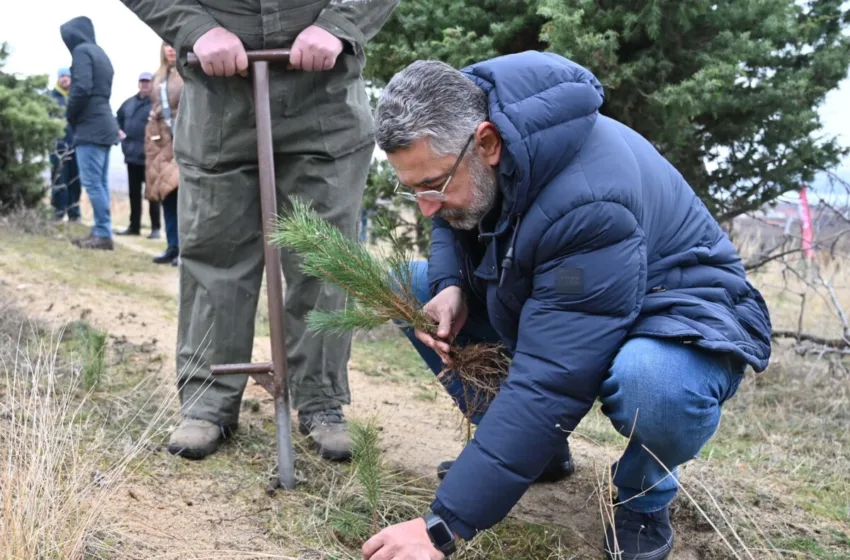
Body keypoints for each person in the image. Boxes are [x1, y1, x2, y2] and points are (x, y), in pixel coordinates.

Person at [361, 52, 773, 560]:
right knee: (413, 285)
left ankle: (644, 495)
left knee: (656, 384)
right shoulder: (469, 127)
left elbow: (551, 378)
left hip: (677, 306)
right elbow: (449, 215)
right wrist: (449, 283)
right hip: (579, 289)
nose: (426, 206)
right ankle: (536, 457)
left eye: (433, 186)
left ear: (486, 142)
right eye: (413, 190)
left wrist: (443, 526)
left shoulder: (589, 201)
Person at [117, 0, 399, 461]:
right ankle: (208, 403)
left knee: (323, 258)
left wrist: (339, 23)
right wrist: (195, 27)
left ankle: (320, 401)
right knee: (215, 253)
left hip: (324, 95)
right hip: (218, 99)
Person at [60, 15, 120, 250]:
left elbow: (82, 88)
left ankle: (103, 233)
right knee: (100, 183)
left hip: (91, 126)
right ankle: (101, 229)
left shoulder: (82, 52)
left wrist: (69, 114)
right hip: (105, 122)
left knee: (93, 183)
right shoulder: (101, 53)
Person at [144, 43, 182, 266]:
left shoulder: (187, 74)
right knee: (167, 196)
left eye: (173, 44)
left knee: (184, 197)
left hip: (182, 139)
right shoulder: (158, 76)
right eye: (166, 44)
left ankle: (185, 250)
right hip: (160, 143)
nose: (170, 49)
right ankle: (172, 246)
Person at [116, 72, 161, 239]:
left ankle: (155, 228)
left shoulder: (157, 104)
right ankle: (134, 226)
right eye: (142, 82)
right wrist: (119, 132)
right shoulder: (128, 104)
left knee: (153, 194)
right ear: (138, 84)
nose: (145, 85)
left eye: (148, 82)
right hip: (131, 156)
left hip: (151, 157)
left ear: (153, 84)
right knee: (133, 194)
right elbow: (117, 119)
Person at [47, 67, 81, 222]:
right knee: (59, 180)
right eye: (62, 76)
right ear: (58, 79)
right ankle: (58, 213)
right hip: (57, 147)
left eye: (68, 76)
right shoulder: (49, 98)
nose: (65, 79)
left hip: (76, 146)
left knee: (75, 180)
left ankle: (74, 213)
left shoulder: (77, 97)